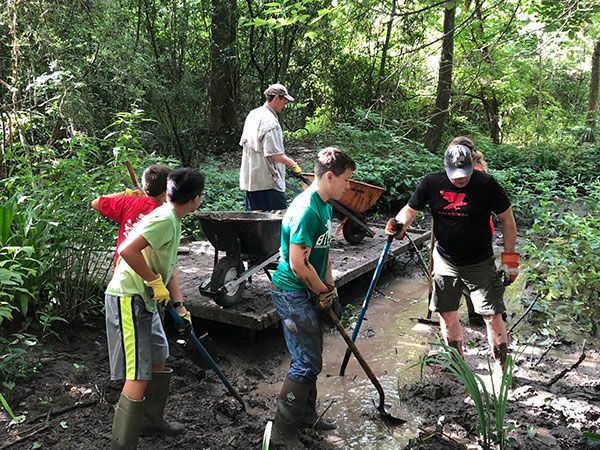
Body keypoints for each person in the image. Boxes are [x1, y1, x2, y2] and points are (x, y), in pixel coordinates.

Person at [386, 143, 519, 372]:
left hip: (479, 261)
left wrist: (510, 261)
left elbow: (508, 220)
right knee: (447, 314)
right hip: (445, 260)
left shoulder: (486, 184)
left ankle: (502, 369)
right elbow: (409, 210)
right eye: (455, 175)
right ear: (444, 167)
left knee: (492, 315)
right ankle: (458, 365)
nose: (460, 180)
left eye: (465, 175)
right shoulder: (431, 183)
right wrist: (398, 225)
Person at [105, 168, 205, 449]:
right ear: (196, 199)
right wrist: (152, 280)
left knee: (159, 354)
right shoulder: (163, 219)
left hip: (147, 299)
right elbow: (127, 250)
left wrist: (179, 304)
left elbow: (169, 267)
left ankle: (151, 420)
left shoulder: (173, 217)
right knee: (138, 372)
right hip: (129, 297)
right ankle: (121, 444)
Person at [270, 147, 356, 447]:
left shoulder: (325, 205)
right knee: (305, 362)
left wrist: (330, 290)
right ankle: (282, 432)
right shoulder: (307, 209)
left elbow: (324, 255)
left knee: (312, 355)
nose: (348, 186)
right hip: (291, 292)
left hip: (309, 289)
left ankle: (307, 416)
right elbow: (297, 263)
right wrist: (320, 291)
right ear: (329, 176)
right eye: (346, 180)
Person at [91, 164, 173, 269]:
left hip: (122, 269)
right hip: (148, 271)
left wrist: (126, 194)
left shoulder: (129, 202)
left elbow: (95, 203)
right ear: (164, 193)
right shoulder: (165, 213)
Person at [448, 136, 493, 326]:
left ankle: (481, 314)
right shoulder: (464, 171)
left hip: (474, 230)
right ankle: (477, 313)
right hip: (463, 229)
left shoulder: (477, 175)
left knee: (471, 273)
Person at [239, 83, 303, 212]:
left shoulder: (253, 114)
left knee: (256, 222)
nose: (284, 104)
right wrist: (293, 164)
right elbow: (274, 154)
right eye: (284, 100)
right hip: (268, 181)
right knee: (278, 221)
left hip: (252, 180)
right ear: (276, 98)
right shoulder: (271, 122)